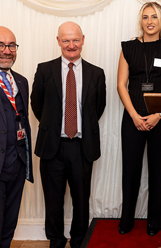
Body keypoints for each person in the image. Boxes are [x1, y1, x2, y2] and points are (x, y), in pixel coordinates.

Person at [31, 21, 106, 248]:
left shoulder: (96, 73)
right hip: (52, 146)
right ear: (58, 41)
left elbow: (97, 108)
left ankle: (79, 240)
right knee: (53, 200)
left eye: (75, 40)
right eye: (66, 40)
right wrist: (53, 126)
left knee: (81, 200)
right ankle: (55, 240)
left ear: (83, 40)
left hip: (83, 147)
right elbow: (37, 104)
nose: (71, 45)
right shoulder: (45, 70)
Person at [117, 2, 161, 236]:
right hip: (132, 117)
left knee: (159, 169)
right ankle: (127, 219)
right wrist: (134, 115)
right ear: (141, 21)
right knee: (130, 169)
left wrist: (158, 115)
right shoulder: (127, 47)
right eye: (146, 17)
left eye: (155, 17)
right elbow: (121, 85)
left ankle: (157, 220)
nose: (150, 21)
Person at [0, 26, 33, 248]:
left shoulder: (21, 81)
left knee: (7, 230)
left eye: (11, 45)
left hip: (16, 167)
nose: (6, 51)